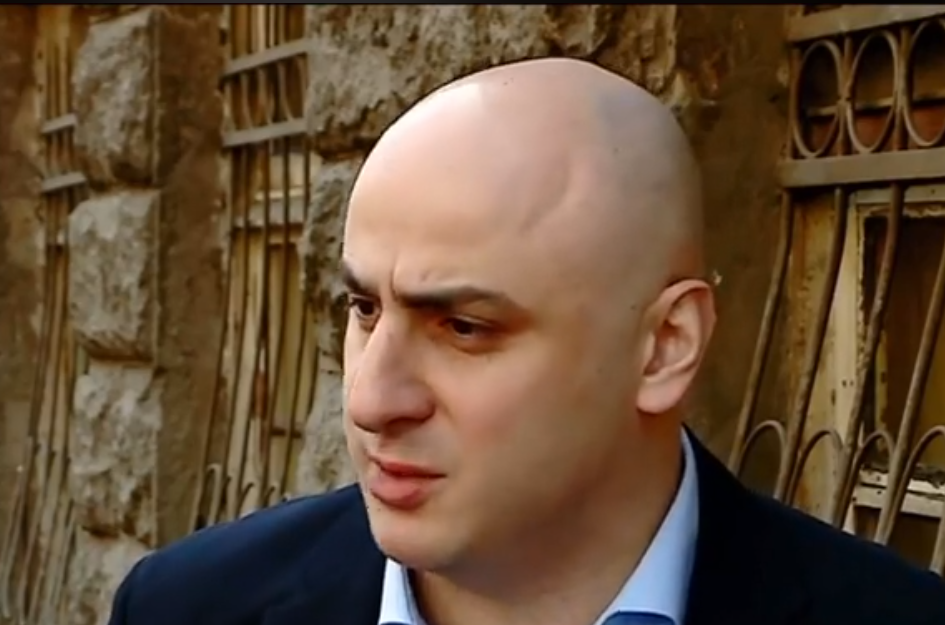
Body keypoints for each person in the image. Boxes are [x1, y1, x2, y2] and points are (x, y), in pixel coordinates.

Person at [106, 58, 945, 625]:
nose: (369, 399)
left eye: (463, 327)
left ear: (663, 346)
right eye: (364, 308)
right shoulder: (187, 605)